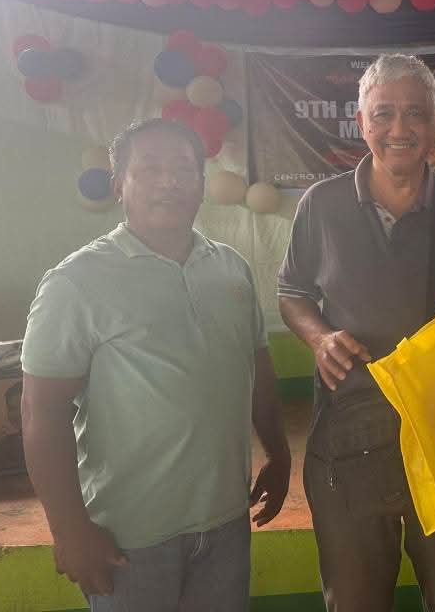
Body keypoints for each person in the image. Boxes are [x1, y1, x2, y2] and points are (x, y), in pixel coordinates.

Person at [21, 118, 290, 611]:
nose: (169, 181)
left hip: (226, 522)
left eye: (184, 170)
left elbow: (257, 367)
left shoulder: (231, 269)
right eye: (149, 168)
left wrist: (279, 453)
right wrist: (69, 530)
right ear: (118, 184)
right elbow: (41, 412)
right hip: (130, 536)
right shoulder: (75, 283)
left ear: (201, 185)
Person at [278, 54, 435, 612]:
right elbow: (292, 293)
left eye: (415, 114)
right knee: (355, 597)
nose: (399, 129)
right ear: (361, 122)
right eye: (383, 114)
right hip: (349, 436)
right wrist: (319, 338)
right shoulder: (322, 205)